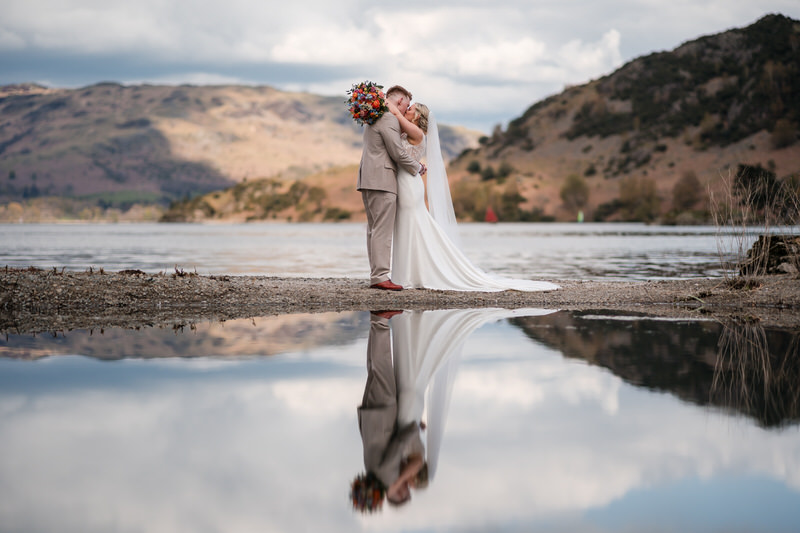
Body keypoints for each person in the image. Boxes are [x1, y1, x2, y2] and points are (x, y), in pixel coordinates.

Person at [386, 101, 560, 292]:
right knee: (409, 226)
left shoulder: (417, 133)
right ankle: (408, 273)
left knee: (412, 225)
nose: (406, 110)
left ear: (418, 116)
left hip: (410, 185)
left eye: (410, 109)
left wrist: (384, 102)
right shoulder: (409, 131)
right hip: (406, 181)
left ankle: (412, 275)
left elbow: (396, 115)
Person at [352, 311, 427, 512]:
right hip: (372, 419)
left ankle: (380, 320)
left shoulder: (387, 478)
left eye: (401, 494)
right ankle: (378, 322)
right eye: (407, 492)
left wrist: (414, 428)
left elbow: (398, 444)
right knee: (376, 368)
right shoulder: (378, 477)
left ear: (391, 496)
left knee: (381, 365)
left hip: (381, 416)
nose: (405, 489)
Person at [357, 86, 427, 291]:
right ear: (400, 101)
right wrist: (418, 167)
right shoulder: (388, 119)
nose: (406, 109)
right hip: (382, 179)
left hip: (369, 178)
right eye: (406, 104)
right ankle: (379, 276)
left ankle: (376, 275)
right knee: (382, 230)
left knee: (373, 229)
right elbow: (397, 152)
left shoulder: (375, 117)